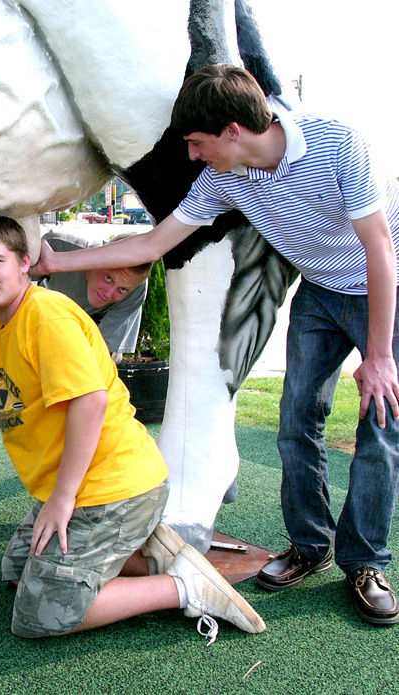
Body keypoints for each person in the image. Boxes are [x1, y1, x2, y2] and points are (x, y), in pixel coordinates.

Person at [31, 63, 399, 626]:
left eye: (199, 143)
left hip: (382, 284)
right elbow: (155, 241)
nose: (194, 156)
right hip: (321, 290)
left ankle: (366, 563)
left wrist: (379, 357)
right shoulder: (225, 177)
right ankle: (310, 546)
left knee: (380, 426)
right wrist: (59, 261)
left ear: (233, 130)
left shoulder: (337, 142)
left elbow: (380, 251)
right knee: (297, 421)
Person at [0, 215, 265, 640]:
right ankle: (149, 556)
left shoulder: (45, 316)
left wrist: (63, 500)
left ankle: (183, 586)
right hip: (81, 489)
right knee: (16, 573)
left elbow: (91, 402)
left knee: (38, 617)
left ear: (24, 263)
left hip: (111, 491)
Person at [32, 229, 151, 360]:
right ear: (97, 258)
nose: (108, 294)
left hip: (89, 332)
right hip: (44, 315)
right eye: (108, 278)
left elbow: (104, 349)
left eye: (122, 289)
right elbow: (11, 286)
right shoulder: (57, 248)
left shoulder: (136, 288)